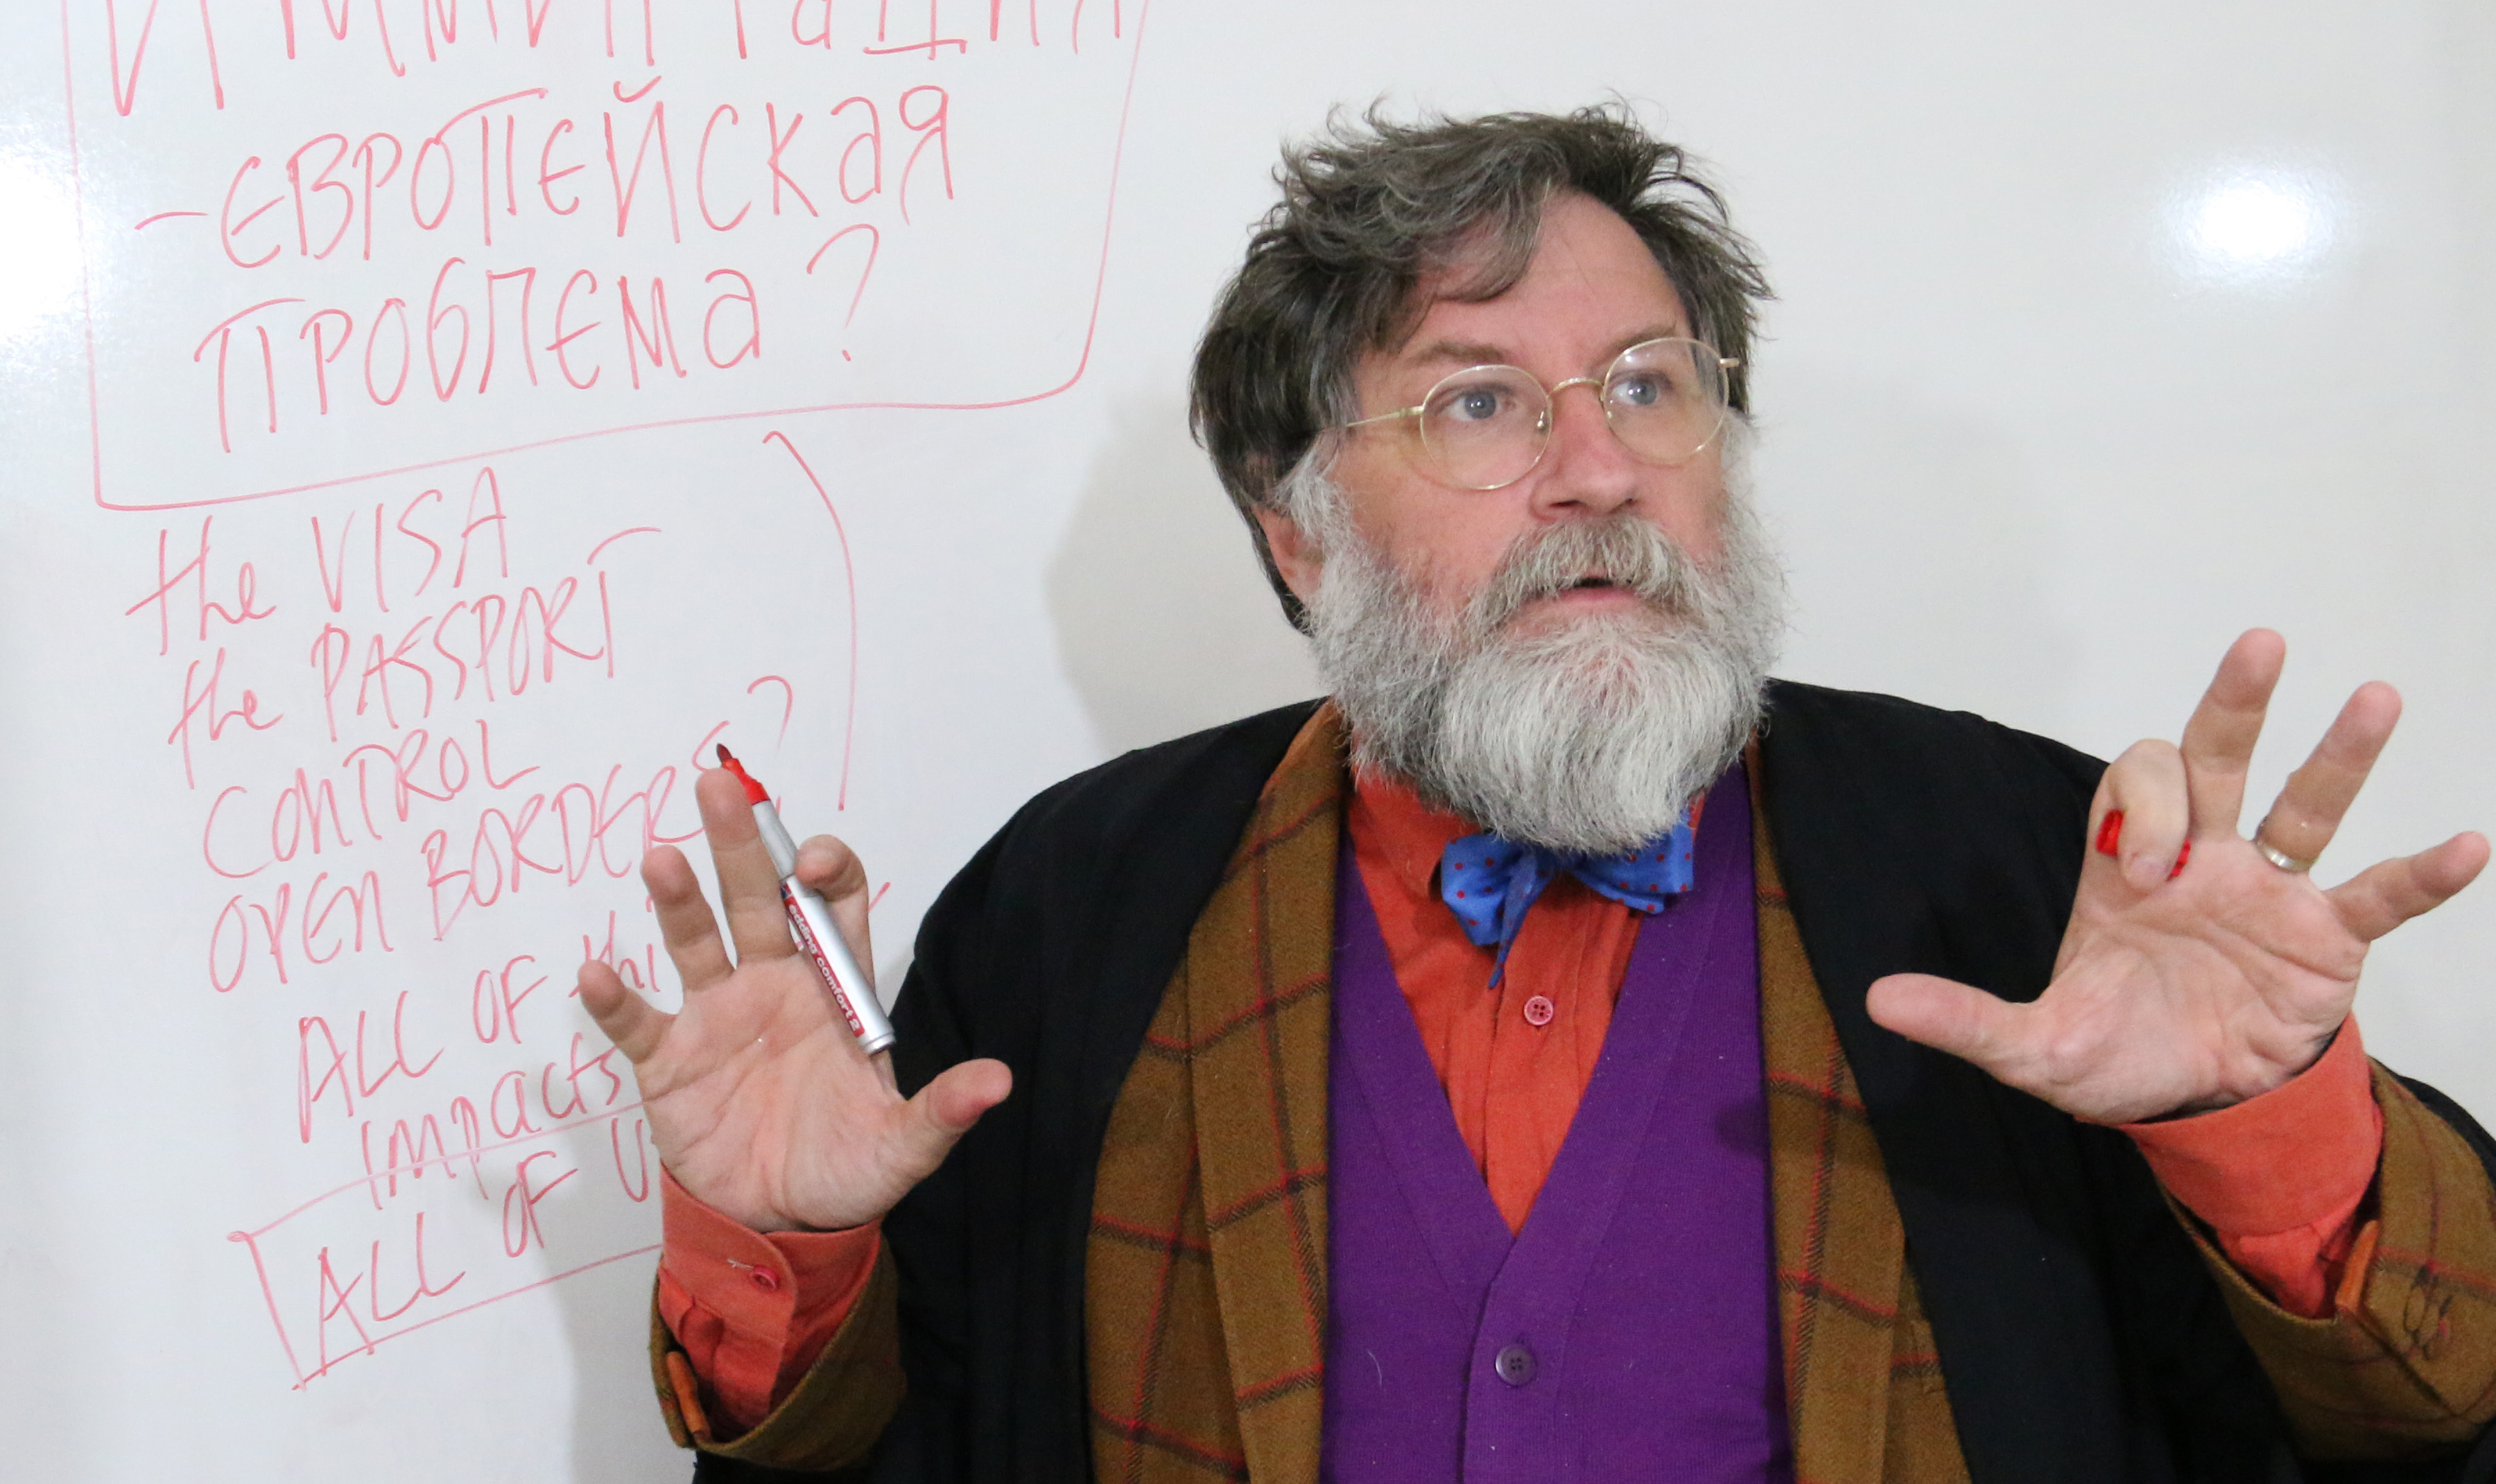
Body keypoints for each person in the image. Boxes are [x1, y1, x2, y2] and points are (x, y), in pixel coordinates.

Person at [580, 107, 2496, 1483]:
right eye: (1480, 402)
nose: (1599, 468)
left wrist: (2263, 1126)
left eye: (1649, 385)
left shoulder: (2027, 869)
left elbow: (2418, 1410)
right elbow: (919, 1439)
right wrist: (789, 1262)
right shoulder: (1074, 908)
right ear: (1296, 527)